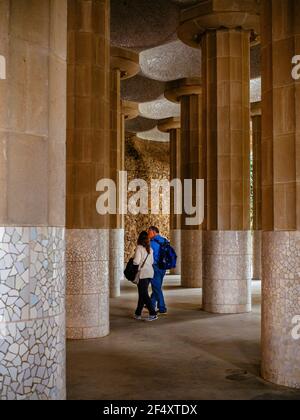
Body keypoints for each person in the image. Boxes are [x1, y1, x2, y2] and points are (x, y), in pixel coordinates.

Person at [133, 231, 158, 322]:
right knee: (142, 294)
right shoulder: (150, 249)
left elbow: (136, 261)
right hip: (149, 273)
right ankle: (138, 313)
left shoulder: (139, 248)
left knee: (144, 294)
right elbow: (151, 262)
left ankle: (153, 313)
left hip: (142, 273)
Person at [148, 226, 167, 315]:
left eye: (149, 232)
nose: (148, 234)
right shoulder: (165, 240)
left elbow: (149, 256)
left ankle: (162, 307)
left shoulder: (151, 243)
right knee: (157, 285)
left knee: (156, 287)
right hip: (163, 267)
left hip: (155, 267)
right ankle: (151, 304)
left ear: (154, 232)